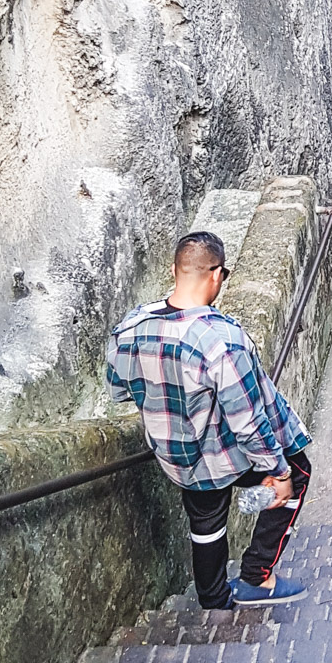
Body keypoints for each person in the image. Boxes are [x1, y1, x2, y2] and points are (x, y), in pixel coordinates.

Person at [106, 232, 312, 609]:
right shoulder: (222, 340)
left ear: (174, 270)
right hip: (223, 451)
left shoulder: (131, 328)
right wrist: (277, 472)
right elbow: (247, 420)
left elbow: (120, 389)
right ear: (216, 275)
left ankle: (213, 598)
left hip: (175, 455)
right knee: (297, 472)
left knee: (206, 520)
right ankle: (256, 577)